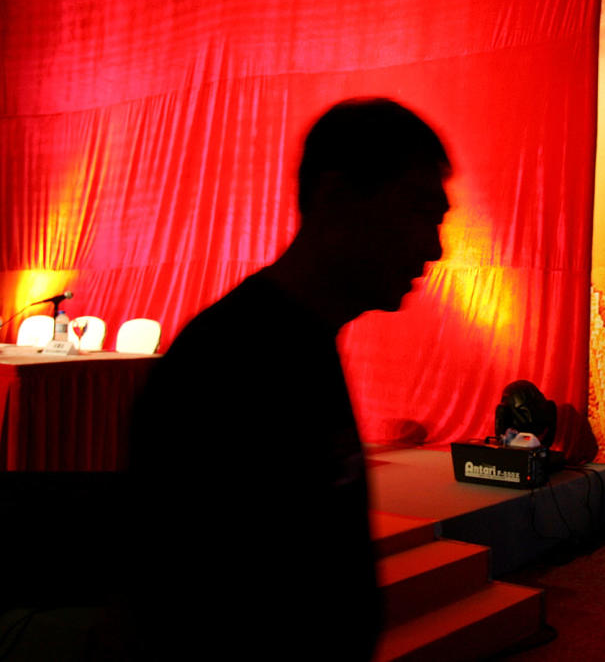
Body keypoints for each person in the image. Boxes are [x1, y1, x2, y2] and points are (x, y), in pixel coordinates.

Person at [124, 97, 451, 661]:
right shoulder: (225, 367)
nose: (433, 248)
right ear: (337, 199)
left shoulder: (298, 342)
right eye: (419, 210)